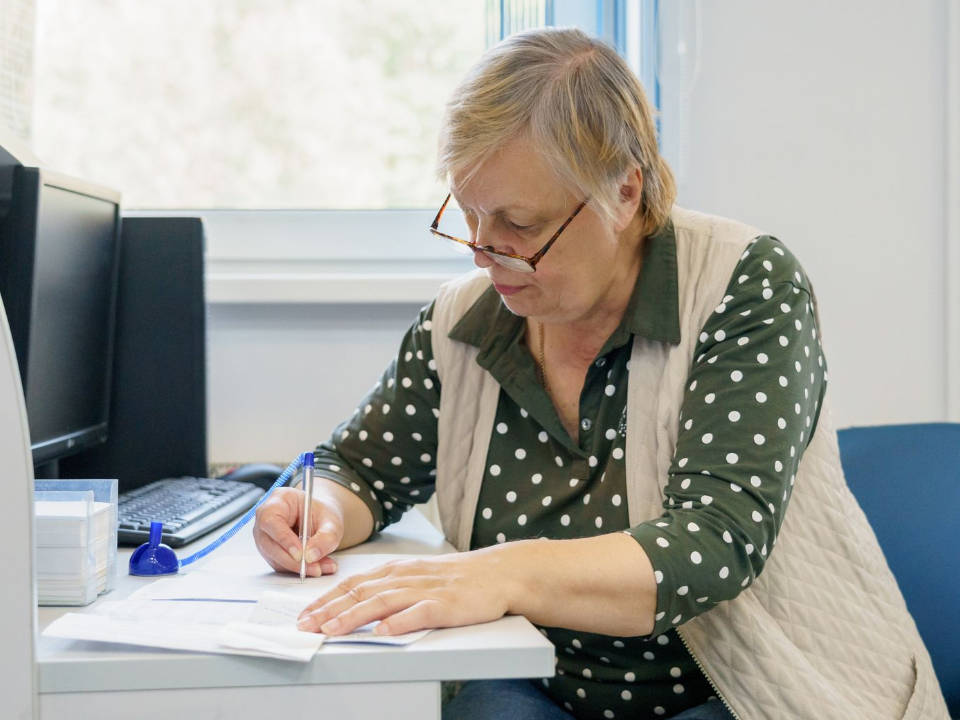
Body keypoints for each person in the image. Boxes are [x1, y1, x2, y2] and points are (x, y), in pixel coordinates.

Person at [252, 27, 949, 720]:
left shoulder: (743, 286)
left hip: (742, 689)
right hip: (543, 684)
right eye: (468, 214)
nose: (484, 253)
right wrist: (318, 513)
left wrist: (499, 573)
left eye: (519, 224)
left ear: (624, 192)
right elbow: (361, 468)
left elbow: (711, 547)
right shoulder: (468, 320)